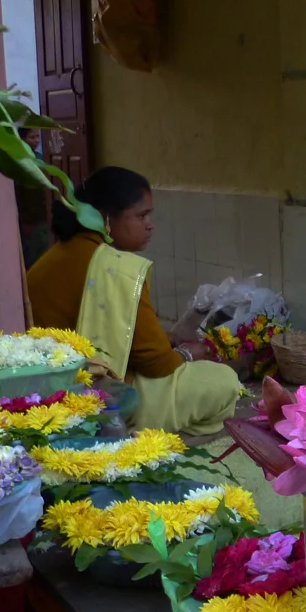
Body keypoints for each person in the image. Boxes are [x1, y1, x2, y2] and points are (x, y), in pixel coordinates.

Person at [26, 166, 240, 435]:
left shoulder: (58, 253)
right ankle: (136, 431)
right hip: (96, 396)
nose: (150, 224)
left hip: (40, 394)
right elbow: (157, 364)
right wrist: (188, 354)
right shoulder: (116, 267)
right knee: (223, 380)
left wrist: (164, 339)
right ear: (106, 218)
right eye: (141, 215)